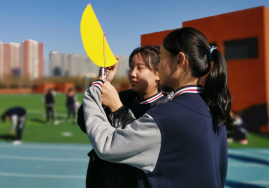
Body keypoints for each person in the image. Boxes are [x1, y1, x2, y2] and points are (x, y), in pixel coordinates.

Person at [83, 27, 234, 188]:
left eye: (161, 58)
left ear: (179, 60)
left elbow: (107, 146)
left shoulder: (167, 115)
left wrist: (97, 87)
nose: (158, 65)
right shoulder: (213, 107)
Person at [78, 46, 174, 188]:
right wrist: (103, 81)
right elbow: (85, 123)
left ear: (158, 73)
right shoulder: (123, 96)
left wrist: (118, 108)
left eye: (140, 68)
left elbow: (134, 142)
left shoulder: (165, 108)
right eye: (131, 67)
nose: (132, 74)